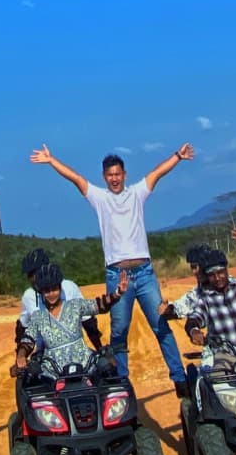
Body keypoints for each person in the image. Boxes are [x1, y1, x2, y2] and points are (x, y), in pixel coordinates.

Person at [30, 142, 194, 394]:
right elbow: (76, 179)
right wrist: (52, 161)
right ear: (104, 177)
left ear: (124, 175)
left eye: (118, 174)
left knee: (161, 324)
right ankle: (121, 384)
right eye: (110, 175)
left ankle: (180, 379)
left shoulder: (137, 193)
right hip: (118, 276)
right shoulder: (100, 198)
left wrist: (178, 157)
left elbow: (157, 173)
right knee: (119, 332)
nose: (114, 179)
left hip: (145, 273)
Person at [162, 230, 236, 359]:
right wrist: (169, 311)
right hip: (222, 351)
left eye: (199, 267)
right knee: (212, 373)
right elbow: (184, 313)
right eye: (193, 267)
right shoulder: (199, 297)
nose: (196, 272)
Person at [13, 264, 127, 377]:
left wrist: (117, 293)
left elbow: (99, 305)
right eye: (47, 291)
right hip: (52, 370)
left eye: (54, 289)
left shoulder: (75, 305)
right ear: (41, 292)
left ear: (60, 288)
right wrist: (21, 355)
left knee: (108, 369)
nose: (51, 294)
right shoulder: (38, 316)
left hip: (85, 362)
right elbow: (27, 340)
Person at [16, 247, 102, 348]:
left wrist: (100, 349)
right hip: (45, 352)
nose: (34, 278)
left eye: (36, 272)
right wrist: (20, 356)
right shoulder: (28, 296)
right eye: (30, 274)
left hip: (74, 347)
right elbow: (23, 326)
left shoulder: (69, 287)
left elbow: (87, 320)